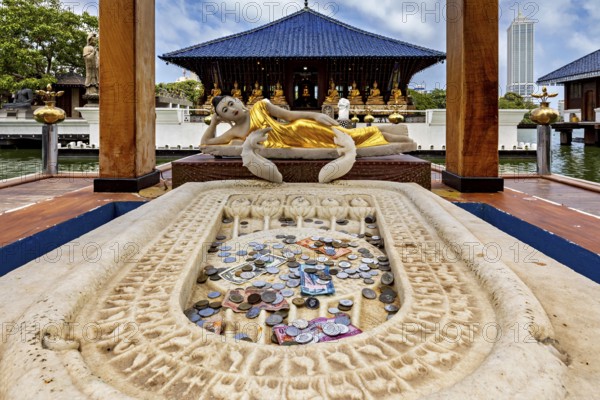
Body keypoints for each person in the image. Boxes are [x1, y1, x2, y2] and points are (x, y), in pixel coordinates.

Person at [201, 96, 412, 148]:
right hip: (295, 143)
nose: (232, 109)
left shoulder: (260, 106)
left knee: (349, 137)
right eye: (225, 111)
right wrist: (213, 123)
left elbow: (291, 116)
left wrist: (314, 115)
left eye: (230, 103)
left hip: (301, 129)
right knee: (346, 139)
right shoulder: (235, 131)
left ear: (238, 100)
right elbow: (205, 144)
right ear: (224, 117)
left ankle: (386, 136)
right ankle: (383, 135)